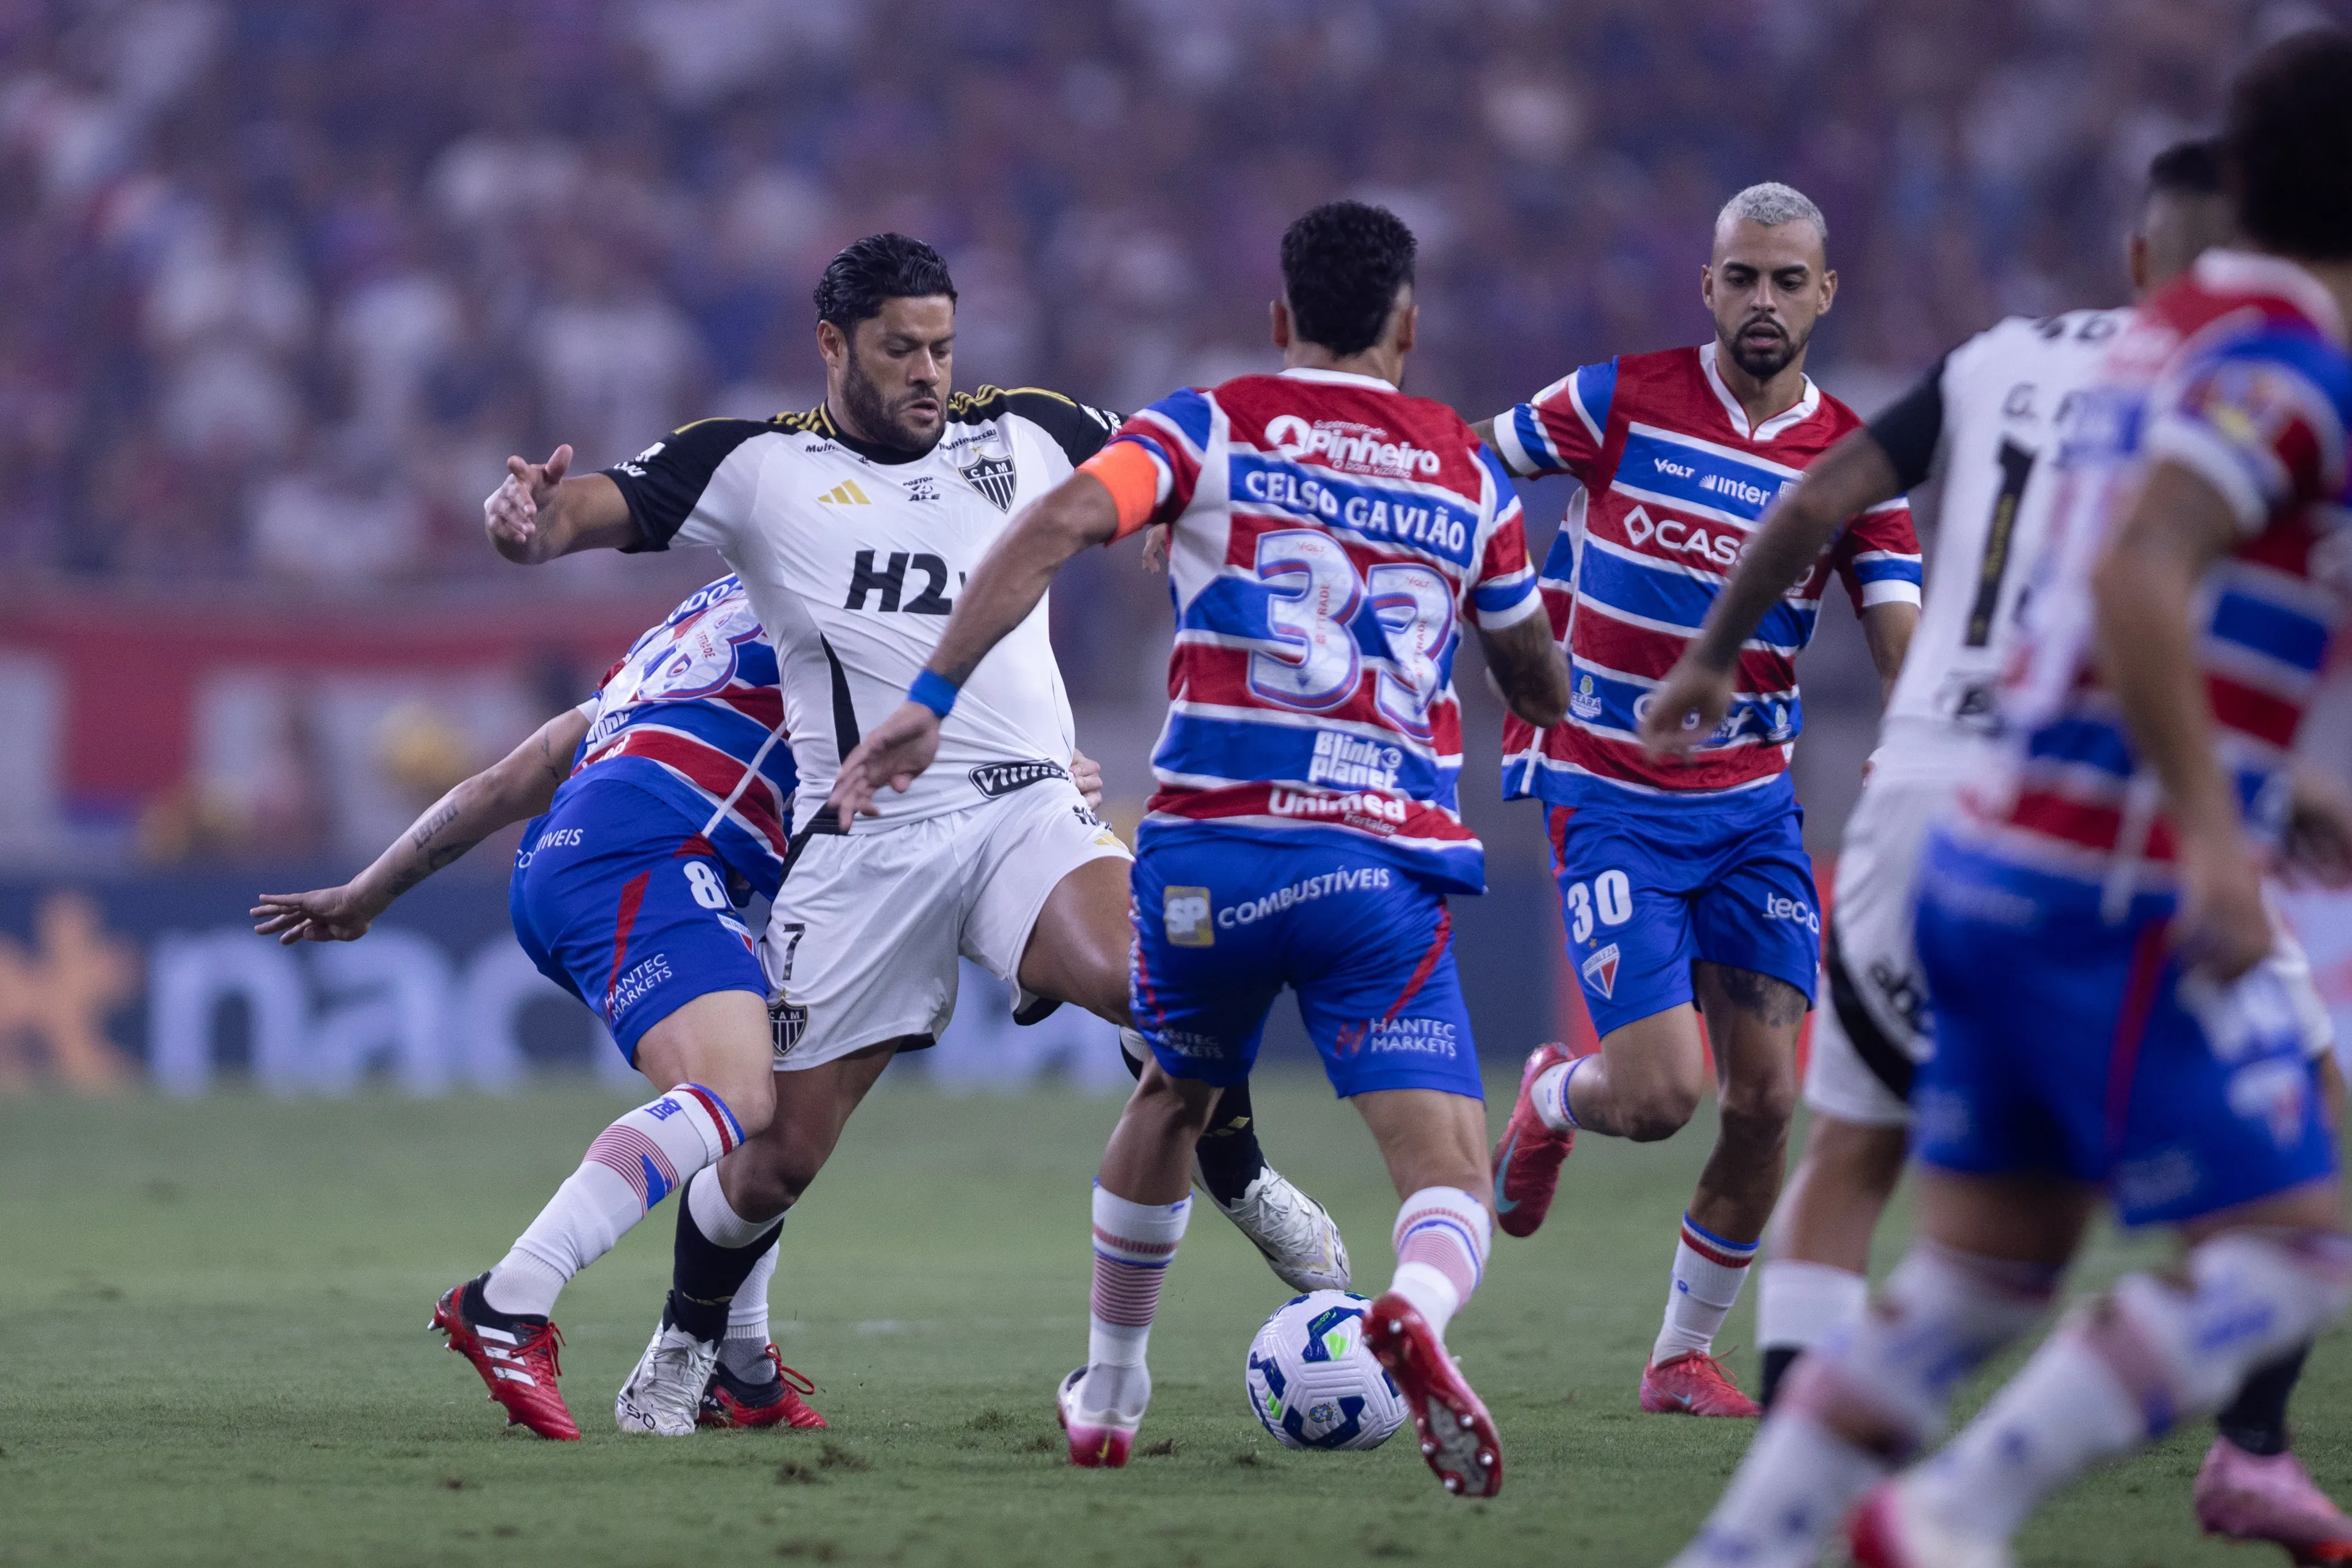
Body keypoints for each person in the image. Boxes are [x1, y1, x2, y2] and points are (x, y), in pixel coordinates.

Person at [475, 232, 1350, 1436]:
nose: (929, 371)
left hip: (1029, 810)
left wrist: (1206, 514)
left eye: (943, 345)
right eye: (900, 349)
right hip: (869, 843)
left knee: (1167, 983)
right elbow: (578, 513)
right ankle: (686, 1344)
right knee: (771, 1160)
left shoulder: (1033, 429)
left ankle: (1243, 1180)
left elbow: (1180, 464)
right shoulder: (755, 466)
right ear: (834, 346)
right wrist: (525, 518)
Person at [1668, 31, 2352, 1567]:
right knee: (2291, 1245)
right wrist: (2206, 828)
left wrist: (2262, 777)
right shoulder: (2275, 372)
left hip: (1980, 844)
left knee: (1986, 1267)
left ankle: (1751, 1546)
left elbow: (2097, 594)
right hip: (2094, 887)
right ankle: (1947, 1515)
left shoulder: (2151, 346)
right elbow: (2129, 574)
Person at [825, 200, 1571, 1495]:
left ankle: (1109, 1396)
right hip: (1375, 866)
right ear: (1408, 323)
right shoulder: (1467, 469)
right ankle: (1416, 1322)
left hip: (1209, 858)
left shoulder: (1208, 424)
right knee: (1446, 1163)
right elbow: (1532, 678)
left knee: (1172, 1090)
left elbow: (1057, 523)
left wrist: (931, 700)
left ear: (1281, 321)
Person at [1475, 182, 1923, 1417]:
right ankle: (1556, 1095)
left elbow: (1902, 629)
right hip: (1608, 787)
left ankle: (1680, 1355)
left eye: (1789, 280)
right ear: (1709, 287)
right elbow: (1462, 469)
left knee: (1772, 1098)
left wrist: (1917, 733)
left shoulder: (1859, 465)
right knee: (1665, 1096)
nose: (1764, 301)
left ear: (1825, 293)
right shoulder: (1616, 398)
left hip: (1754, 808)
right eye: (1743, 278)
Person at [256, 572, 823, 1438]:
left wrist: (368, 892)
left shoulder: (687, 631)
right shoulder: (841, 604)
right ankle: (511, 1297)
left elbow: (511, 777)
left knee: (746, 1108)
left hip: (572, 855)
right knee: (737, 1094)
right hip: (645, 851)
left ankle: (738, 1370)